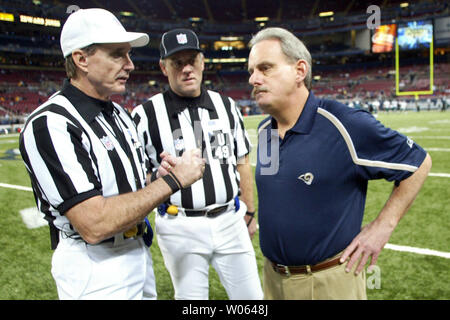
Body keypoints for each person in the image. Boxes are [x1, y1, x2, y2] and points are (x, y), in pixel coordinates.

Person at [19, 9, 205, 300]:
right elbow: (94, 224)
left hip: (135, 249)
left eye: (129, 55)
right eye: (118, 54)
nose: (130, 65)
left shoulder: (118, 113)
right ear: (81, 60)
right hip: (94, 265)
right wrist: (173, 182)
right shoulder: (52, 123)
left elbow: (128, 184)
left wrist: (157, 176)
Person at [248, 27, 432, 300]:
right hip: (273, 279)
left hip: (327, 282)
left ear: (300, 71)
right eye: (251, 71)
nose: (254, 79)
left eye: (265, 68)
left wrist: (383, 226)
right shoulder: (265, 131)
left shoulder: (344, 123)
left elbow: (418, 162)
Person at [131, 28, 263, 300]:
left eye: (192, 60)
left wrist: (249, 212)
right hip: (180, 226)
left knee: (252, 300)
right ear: (163, 68)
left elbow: (242, 161)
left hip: (230, 220)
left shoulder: (226, 105)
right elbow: (137, 179)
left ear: (203, 62)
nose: (187, 69)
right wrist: (159, 177)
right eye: (177, 62)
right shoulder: (144, 116)